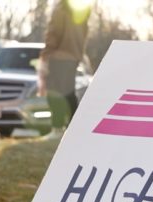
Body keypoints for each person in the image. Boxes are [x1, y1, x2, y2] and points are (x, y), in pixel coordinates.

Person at [39, 0, 91, 138]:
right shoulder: (81, 11)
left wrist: (45, 55)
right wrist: (79, 54)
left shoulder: (60, 10)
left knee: (54, 94)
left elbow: (53, 34)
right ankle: (75, 128)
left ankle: (57, 129)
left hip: (58, 56)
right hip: (74, 57)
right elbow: (84, 35)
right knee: (69, 93)